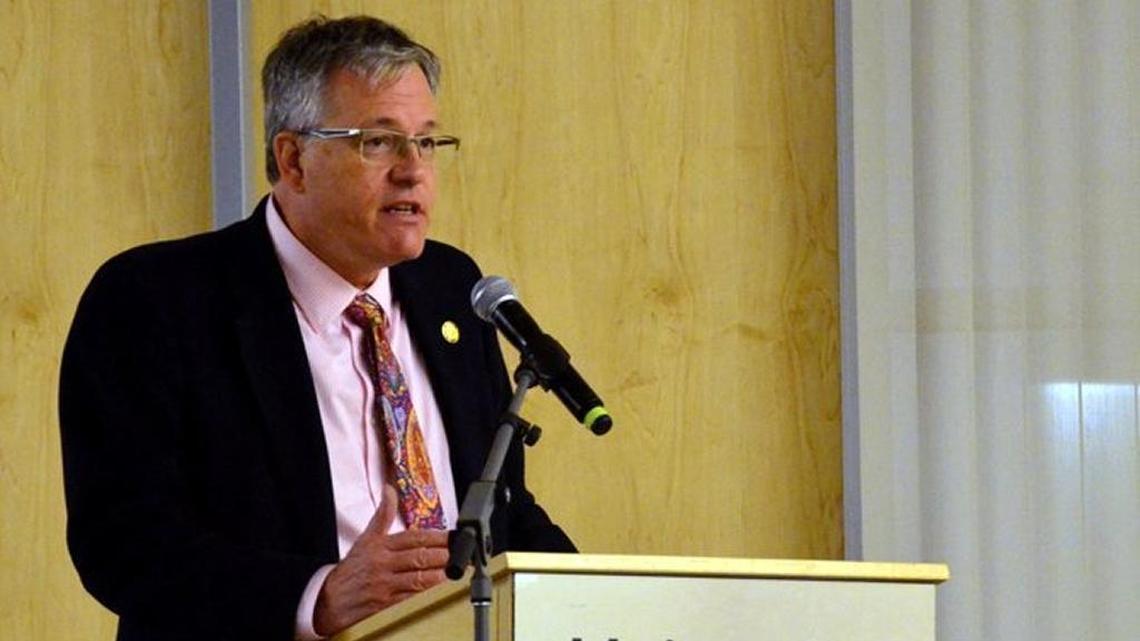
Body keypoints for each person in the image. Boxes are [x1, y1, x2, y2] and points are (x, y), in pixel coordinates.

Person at [59, 15, 574, 641]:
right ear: (294, 159)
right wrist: (316, 596)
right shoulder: (158, 301)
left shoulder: (450, 288)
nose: (413, 170)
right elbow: (123, 541)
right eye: (378, 142)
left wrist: (594, 598)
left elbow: (504, 509)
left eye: (427, 142)